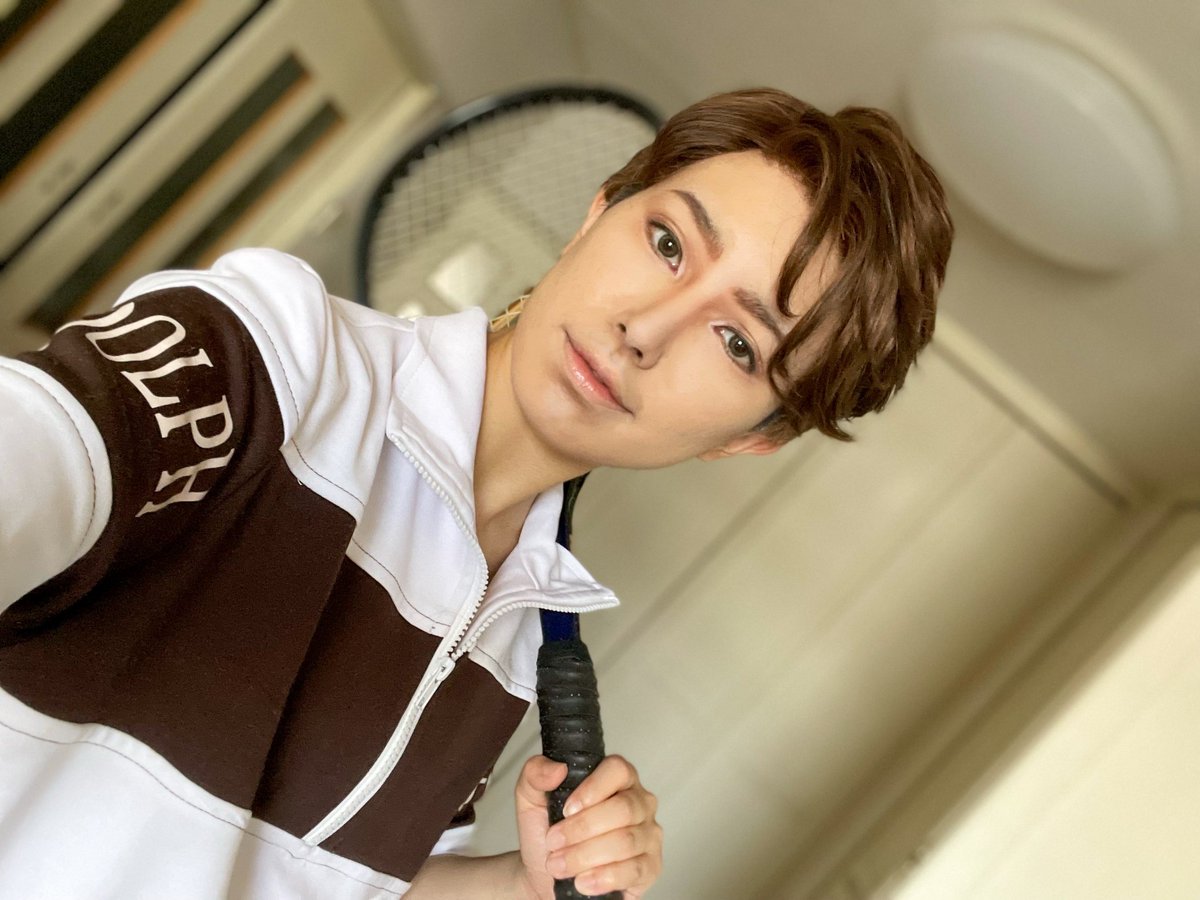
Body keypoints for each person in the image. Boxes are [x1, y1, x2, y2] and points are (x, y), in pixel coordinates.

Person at [0, 88, 952, 898]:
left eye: (738, 342)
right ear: (598, 213)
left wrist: (521, 884)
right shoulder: (279, 360)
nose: (646, 327)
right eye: (666, 242)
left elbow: (318, 876)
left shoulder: (520, 644)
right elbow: (36, 449)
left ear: (750, 439)